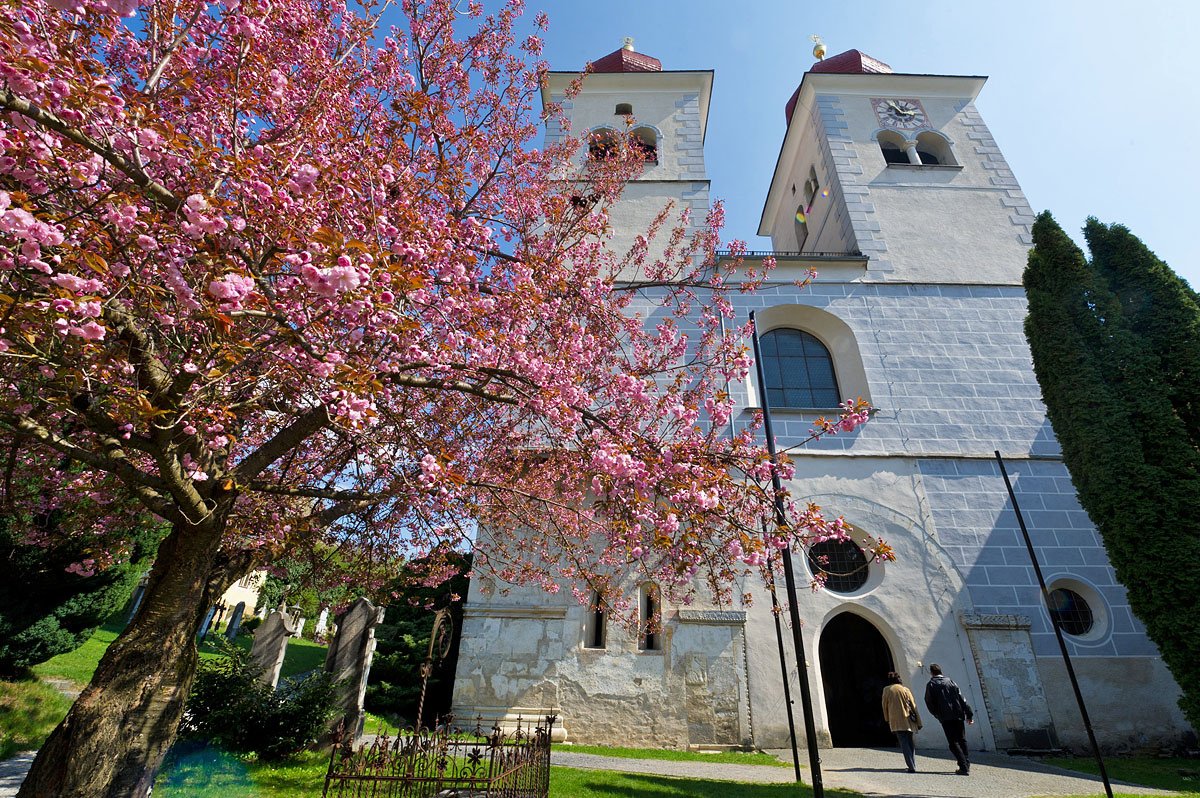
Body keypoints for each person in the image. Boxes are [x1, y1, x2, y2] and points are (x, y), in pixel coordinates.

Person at [924, 663, 974, 775]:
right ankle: (966, 763)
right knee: (962, 739)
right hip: (958, 714)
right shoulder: (951, 682)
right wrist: (969, 714)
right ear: (941, 672)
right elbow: (962, 698)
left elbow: (929, 702)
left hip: (945, 717)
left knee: (953, 742)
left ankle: (963, 765)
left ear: (931, 673)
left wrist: (937, 714)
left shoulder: (931, 685)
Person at [881, 671, 922, 773]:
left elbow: (884, 706)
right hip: (909, 719)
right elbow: (913, 705)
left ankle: (911, 766)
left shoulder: (887, 690)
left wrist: (887, 718)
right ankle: (912, 764)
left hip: (897, 720)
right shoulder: (905, 689)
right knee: (910, 742)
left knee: (903, 742)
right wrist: (919, 721)